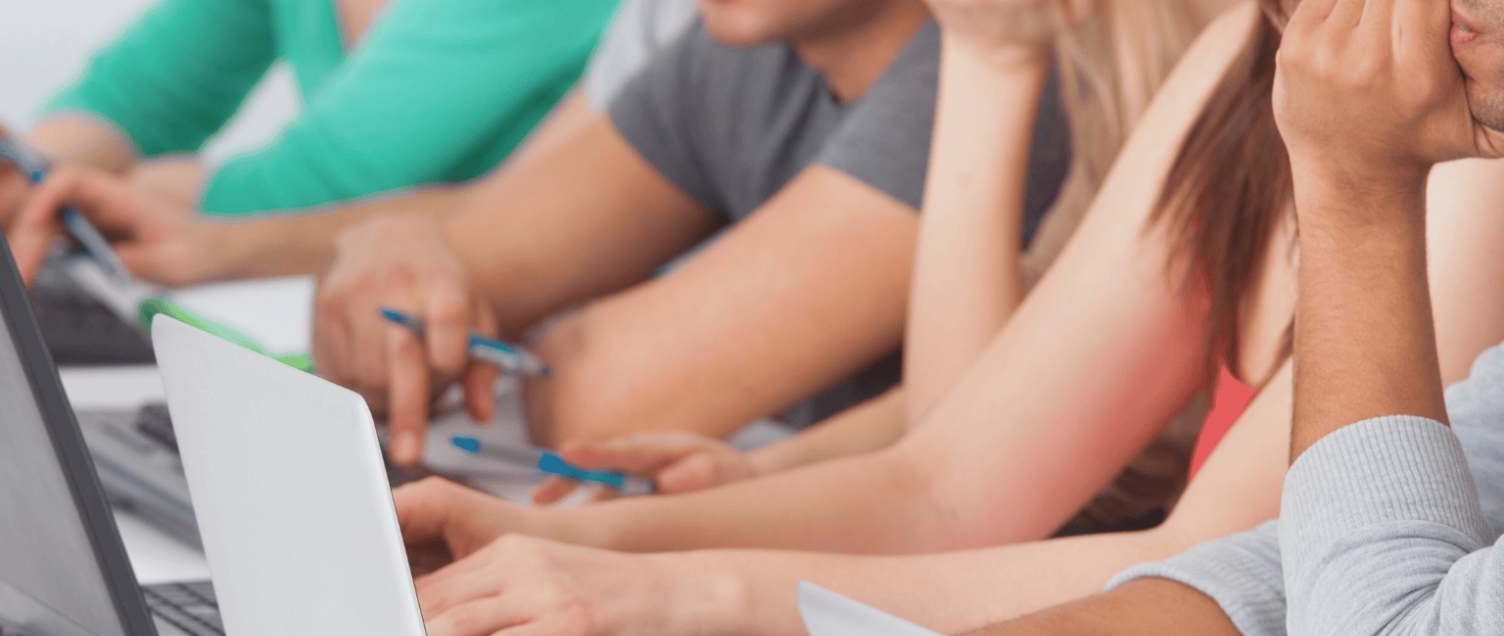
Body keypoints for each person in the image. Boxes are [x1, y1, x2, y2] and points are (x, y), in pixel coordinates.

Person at [396, 0, 1504, 636]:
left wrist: (673, 591)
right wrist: (556, 546)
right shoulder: (1246, 60)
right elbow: (948, 482)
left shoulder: (1465, 151)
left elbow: (1210, 576)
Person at [309, 0, 1075, 466]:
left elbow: (604, 402)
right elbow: (424, 294)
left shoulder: (991, 70)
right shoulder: (745, 46)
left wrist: (480, 311)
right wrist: (397, 245)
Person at [0, 0, 622, 281]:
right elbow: (137, 96)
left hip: (551, 402)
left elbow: (301, 190)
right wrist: (32, 170)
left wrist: (60, 199)